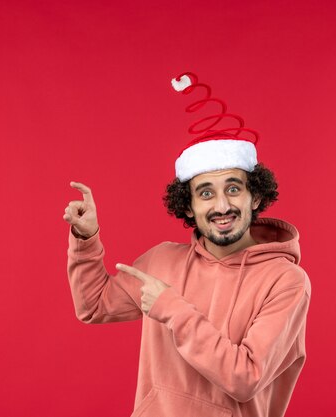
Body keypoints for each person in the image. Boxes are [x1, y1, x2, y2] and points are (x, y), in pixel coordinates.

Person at [63, 72, 311, 417]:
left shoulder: (286, 281)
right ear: (189, 207)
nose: (222, 205)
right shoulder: (163, 260)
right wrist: (86, 238)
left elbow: (244, 378)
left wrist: (173, 309)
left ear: (256, 197)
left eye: (234, 189)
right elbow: (92, 306)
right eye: (206, 193)